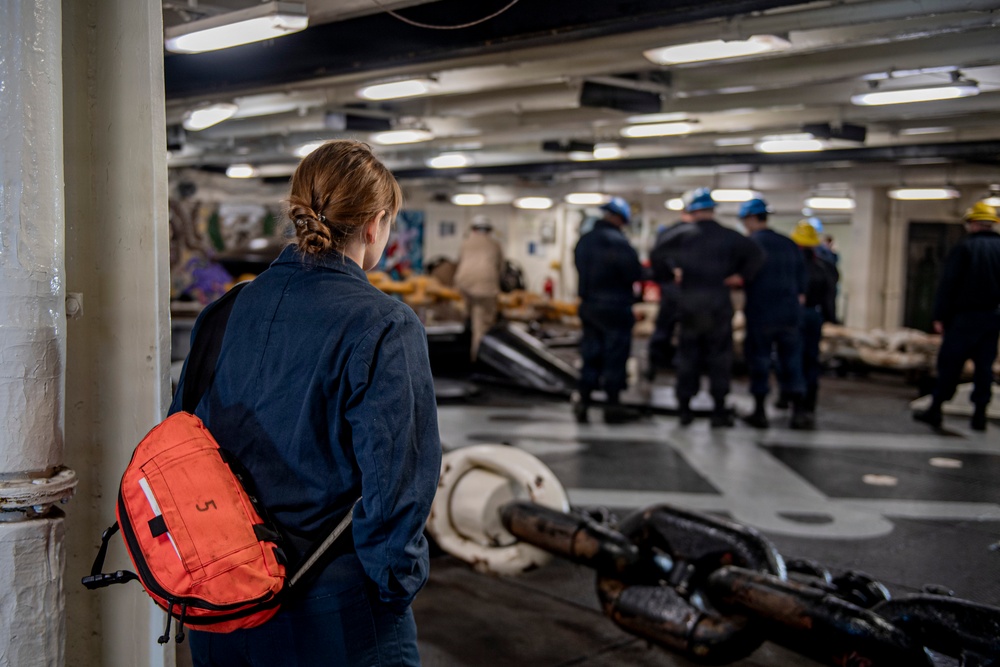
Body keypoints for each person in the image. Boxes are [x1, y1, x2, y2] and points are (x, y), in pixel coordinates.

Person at [171, 140, 442, 666]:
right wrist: (393, 590)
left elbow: (183, 449)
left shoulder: (222, 312)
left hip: (222, 606)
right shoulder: (384, 324)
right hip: (334, 613)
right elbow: (396, 489)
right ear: (375, 223)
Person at [654, 187, 764, 427]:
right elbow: (757, 255)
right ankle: (719, 409)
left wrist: (670, 275)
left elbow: (656, 255)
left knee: (688, 355)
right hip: (718, 304)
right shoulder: (730, 236)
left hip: (691, 303)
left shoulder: (680, 235)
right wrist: (740, 277)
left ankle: (684, 407)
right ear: (712, 210)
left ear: (691, 210)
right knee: (719, 357)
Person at [914, 201, 1000, 432]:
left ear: (972, 223)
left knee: (950, 365)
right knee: (984, 368)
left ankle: (936, 408)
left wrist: (939, 316)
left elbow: (948, 284)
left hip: (963, 319)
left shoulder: (964, 248)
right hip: (992, 319)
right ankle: (980, 415)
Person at [739, 198, 810, 429]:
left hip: (761, 313)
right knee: (792, 360)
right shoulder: (789, 244)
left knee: (759, 359)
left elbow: (741, 277)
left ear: (750, 218)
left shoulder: (750, 245)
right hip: (790, 313)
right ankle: (798, 412)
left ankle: (760, 411)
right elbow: (802, 287)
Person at [572, 196, 644, 424]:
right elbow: (634, 273)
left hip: (589, 305)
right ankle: (612, 405)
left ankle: (583, 400)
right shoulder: (619, 242)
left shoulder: (584, 241)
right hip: (615, 306)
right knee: (615, 355)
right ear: (620, 219)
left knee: (590, 352)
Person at [790, 220, 840, 429]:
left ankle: (795, 403)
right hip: (814, 317)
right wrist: (830, 317)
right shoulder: (825, 266)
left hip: (794, 317)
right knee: (810, 360)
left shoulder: (792, 266)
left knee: (793, 360)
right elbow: (831, 294)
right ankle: (808, 405)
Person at [647, 211, 694, 379]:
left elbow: (655, 255)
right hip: (683, 289)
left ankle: (656, 363)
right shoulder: (685, 233)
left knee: (666, 327)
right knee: (683, 329)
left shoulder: (668, 233)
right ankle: (675, 365)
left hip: (673, 288)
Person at [454, 215, 504, 361]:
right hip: (485, 287)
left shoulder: (465, 243)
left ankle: (458, 354)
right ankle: (478, 360)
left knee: (463, 318)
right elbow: (501, 268)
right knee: (482, 325)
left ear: (473, 229)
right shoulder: (495, 244)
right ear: (489, 230)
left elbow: (459, 262)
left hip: (463, 284)